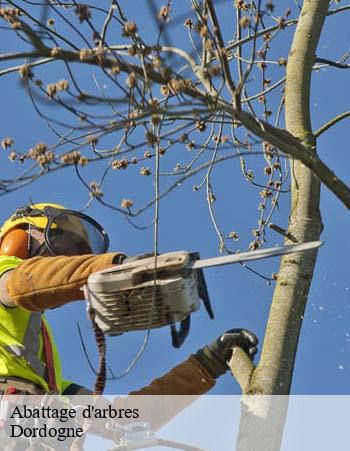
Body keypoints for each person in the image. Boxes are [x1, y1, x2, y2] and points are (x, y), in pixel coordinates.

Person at [0, 203, 258, 397]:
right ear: (18, 239)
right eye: (62, 248)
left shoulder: (45, 372)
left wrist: (204, 366)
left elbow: (120, 418)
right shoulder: (7, 275)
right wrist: (112, 266)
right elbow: (24, 282)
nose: (67, 261)